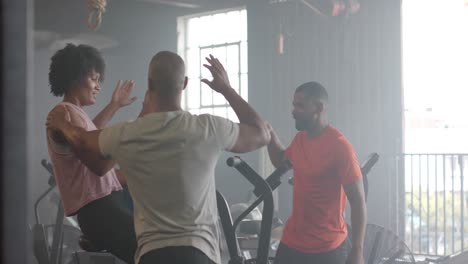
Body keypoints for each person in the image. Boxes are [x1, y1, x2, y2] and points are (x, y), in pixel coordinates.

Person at [46, 51, 270, 264]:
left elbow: (88, 145)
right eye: (93, 78)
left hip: (154, 253)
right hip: (199, 252)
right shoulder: (208, 127)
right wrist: (226, 89)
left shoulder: (128, 134)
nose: (97, 85)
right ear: (184, 84)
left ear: (149, 85)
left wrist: (64, 126)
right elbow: (261, 134)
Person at [46, 43, 138, 263]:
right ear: (76, 78)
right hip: (100, 208)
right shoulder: (64, 113)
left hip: (105, 205)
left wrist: (114, 105)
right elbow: (98, 161)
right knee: (150, 254)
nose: (98, 86)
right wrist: (130, 134)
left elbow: (90, 136)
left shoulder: (73, 113)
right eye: (94, 78)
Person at [266, 81, 367, 264]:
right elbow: (281, 160)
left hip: (327, 246)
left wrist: (358, 250)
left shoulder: (340, 147)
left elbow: (358, 200)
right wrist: (270, 135)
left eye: (300, 106)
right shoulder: (300, 139)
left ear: (319, 107)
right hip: (293, 241)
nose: (293, 111)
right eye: (294, 105)